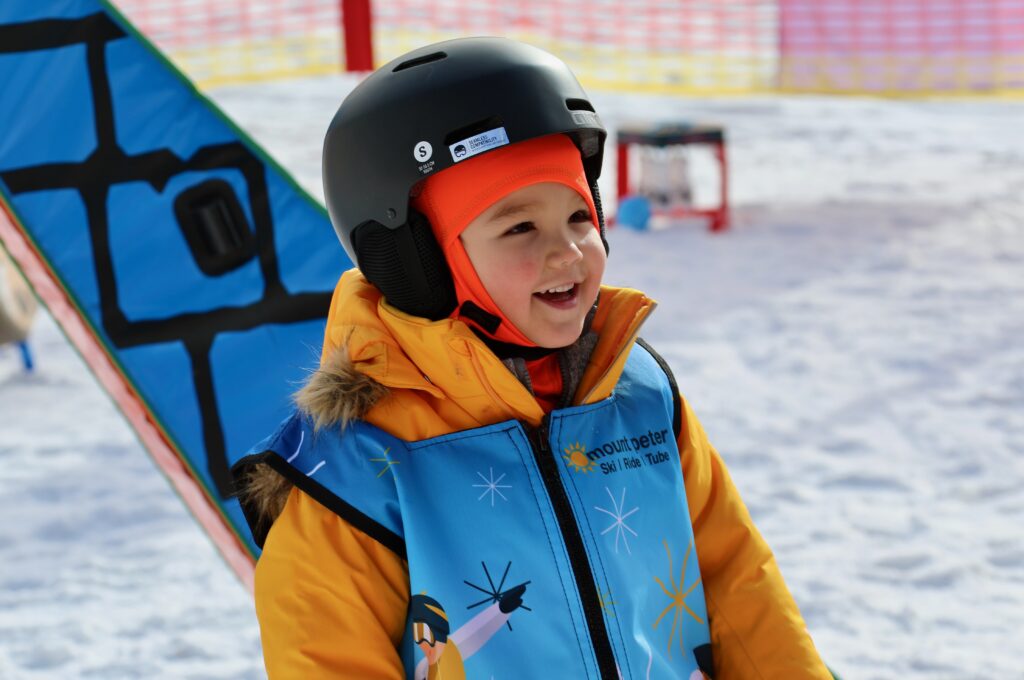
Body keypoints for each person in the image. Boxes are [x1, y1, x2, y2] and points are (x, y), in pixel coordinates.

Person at [233, 37, 832, 679]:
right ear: (418, 260)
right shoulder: (353, 464)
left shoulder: (636, 394)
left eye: (579, 216)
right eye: (521, 227)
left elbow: (737, 582)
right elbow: (328, 660)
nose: (569, 252)